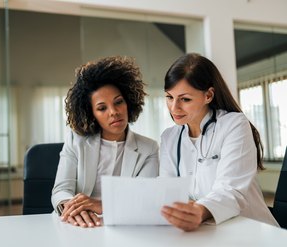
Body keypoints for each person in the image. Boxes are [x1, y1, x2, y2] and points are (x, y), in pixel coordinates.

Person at [159, 53, 279, 231]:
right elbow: (167, 191)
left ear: (208, 95)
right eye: (169, 97)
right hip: (207, 231)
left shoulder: (234, 125)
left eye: (185, 99)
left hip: (251, 229)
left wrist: (198, 210)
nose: (174, 108)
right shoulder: (169, 137)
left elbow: (231, 191)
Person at [51, 56, 159, 228]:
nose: (114, 112)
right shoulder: (76, 141)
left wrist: (102, 206)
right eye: (102, 108)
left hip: (125, 226)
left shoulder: (149, 148)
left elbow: (143, 198)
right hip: (79, 225)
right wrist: (74, 209)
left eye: (118, 102)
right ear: (91, 113)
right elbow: (61, 190)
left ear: (128, 102)